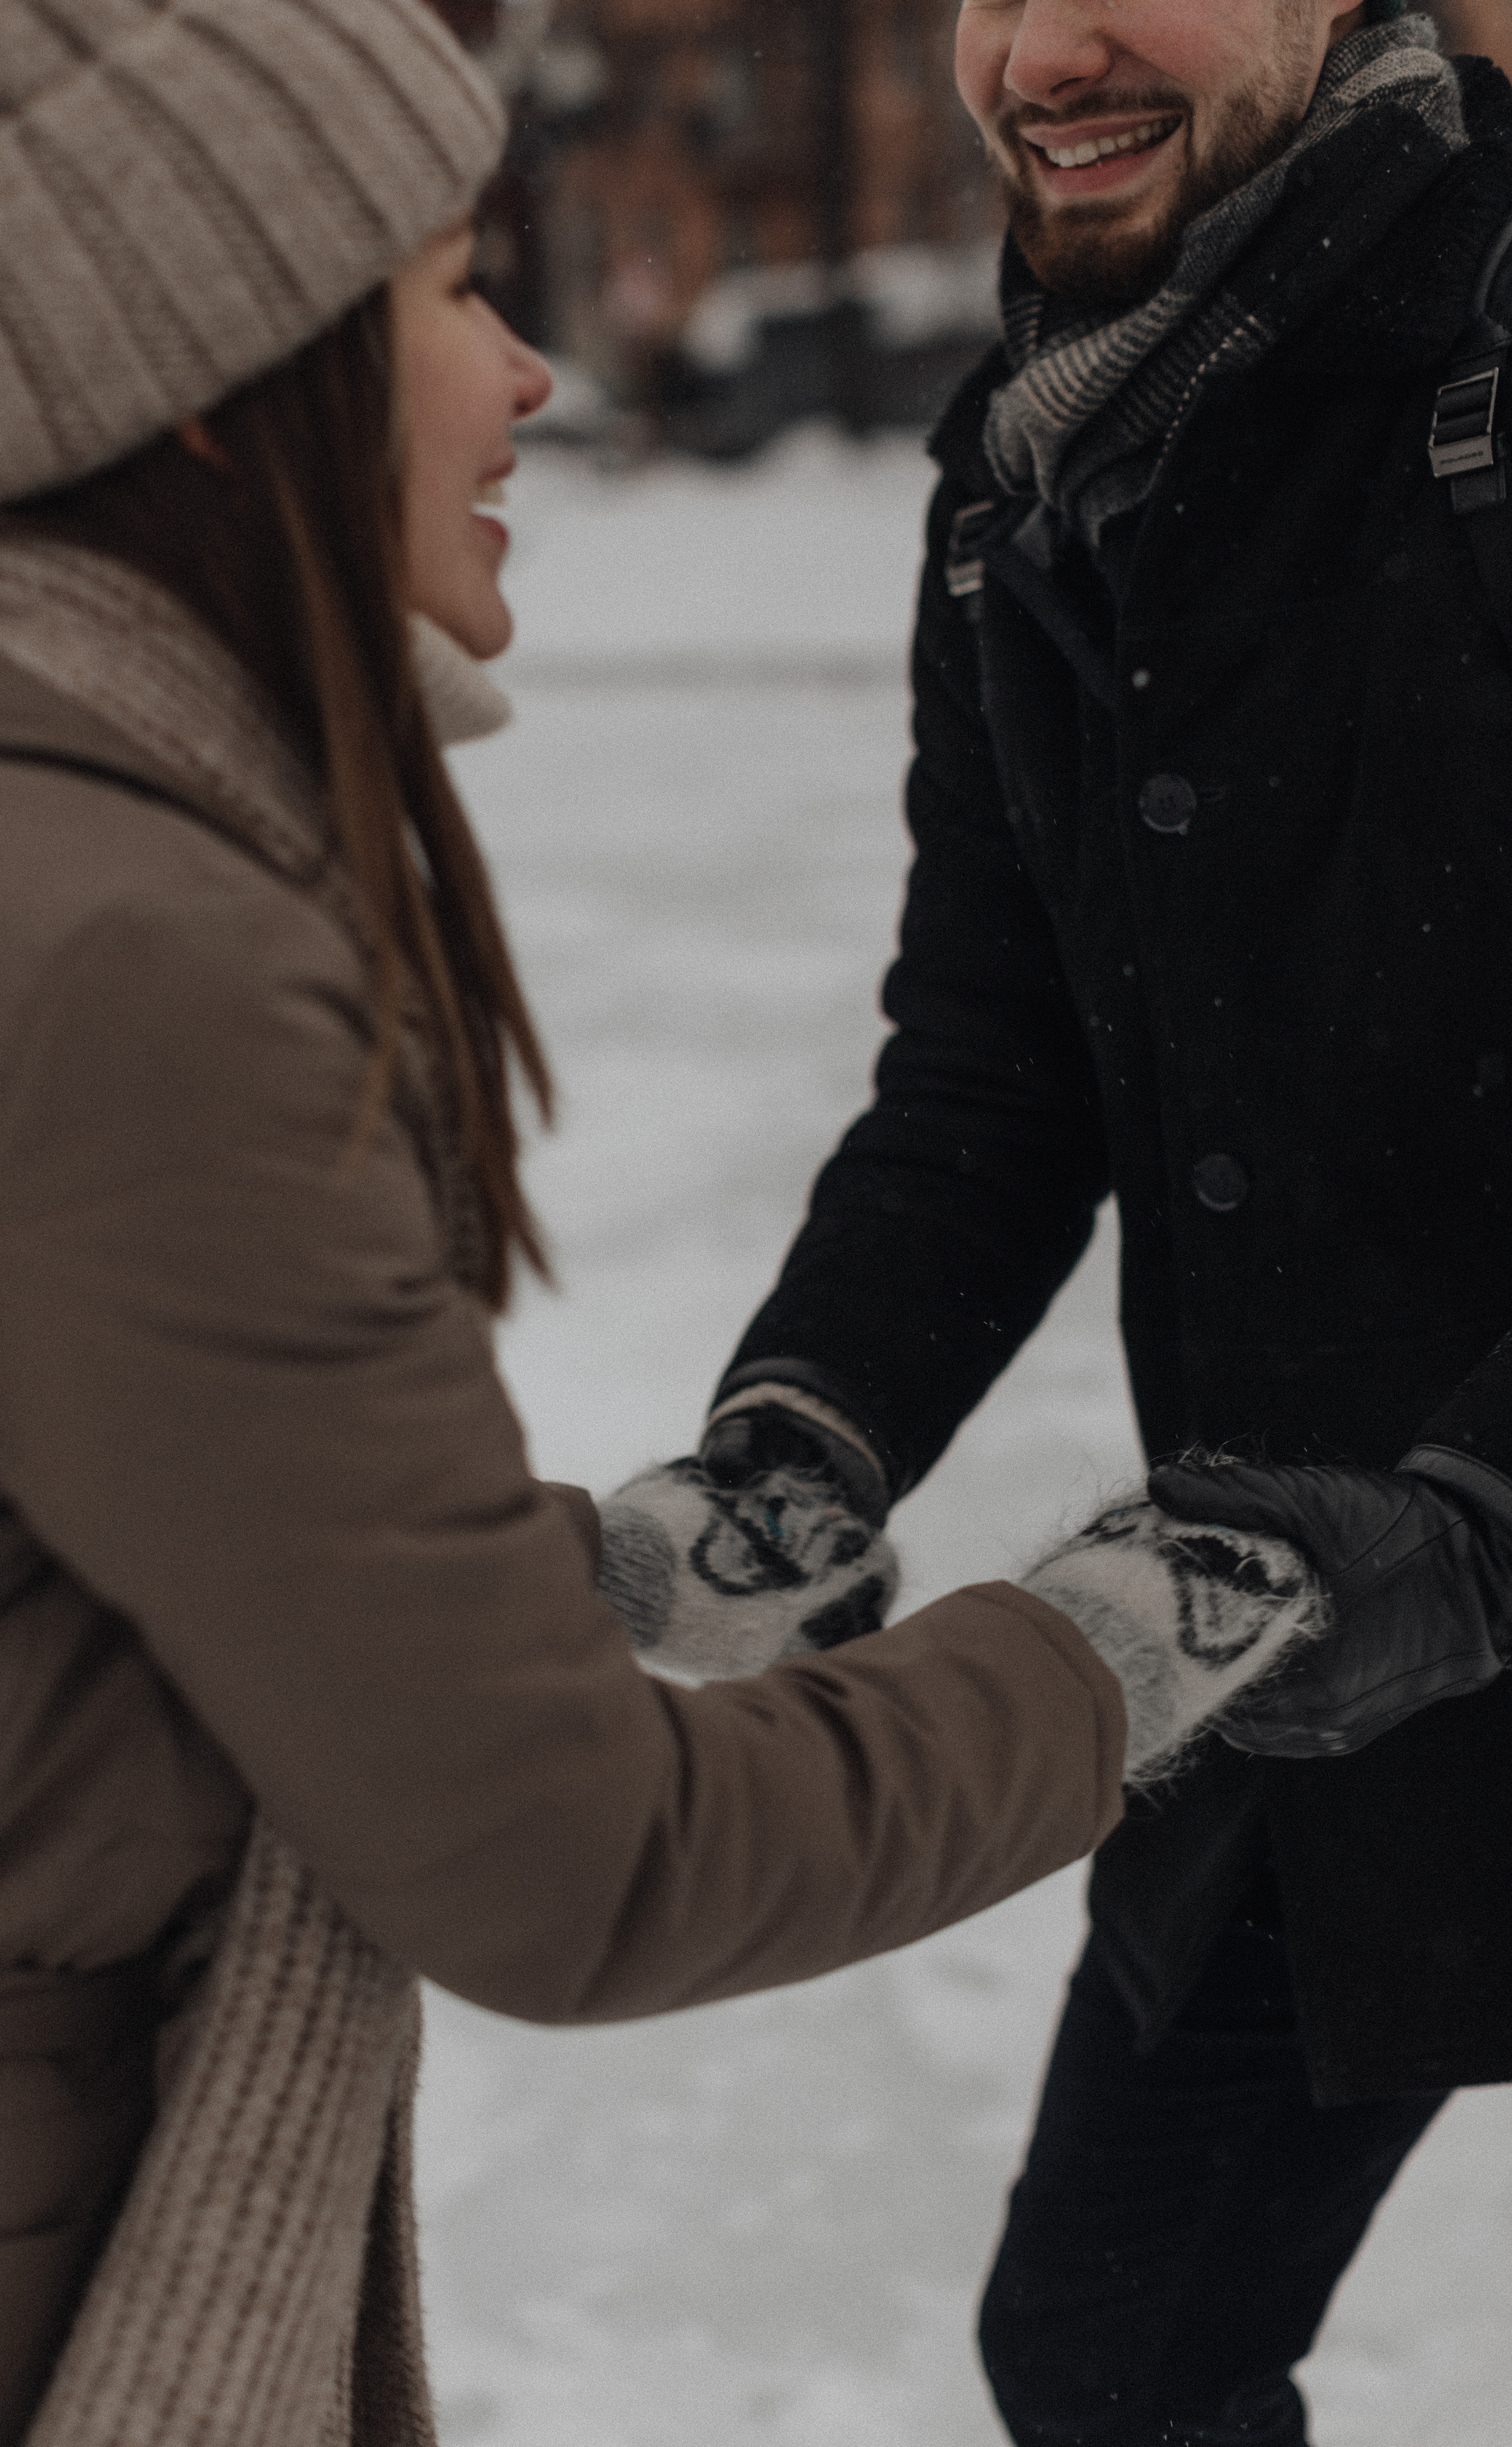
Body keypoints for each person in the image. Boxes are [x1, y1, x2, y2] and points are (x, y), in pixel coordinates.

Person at [0, 8, 1367, 2446]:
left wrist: (556, 1581)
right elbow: (575, 1859)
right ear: (203, 380)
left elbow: (47, 1563)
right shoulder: (120, 961)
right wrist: (1129, 1642)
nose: (531, 373)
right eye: (450, 293)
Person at [610, 4, 1512, 2443]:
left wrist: (1474, 1528)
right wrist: (814, 1426)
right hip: (1306, 1616)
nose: (1041, 47)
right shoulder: (1037, 467)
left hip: (1437, 1547)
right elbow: (994, 1070)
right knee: (1115, 2355)